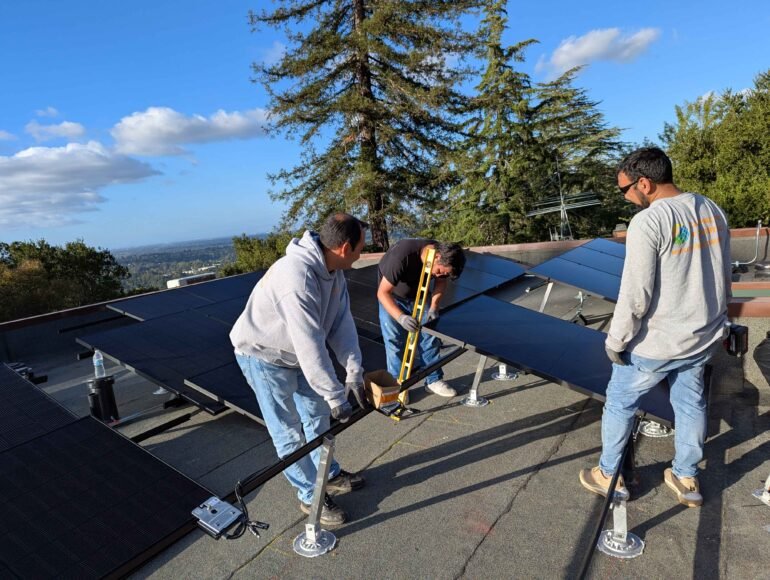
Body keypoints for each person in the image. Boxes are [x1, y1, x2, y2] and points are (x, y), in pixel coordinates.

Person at [579, 147, 731, 507]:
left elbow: (636, 293)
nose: (627, 198)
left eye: (625, 190)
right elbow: (725, 272)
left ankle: (609, 475)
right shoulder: (712, 209)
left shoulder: (649, 221)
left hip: (658, 342)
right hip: (702, 335)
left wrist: (616, 340)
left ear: (643, 183)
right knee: (690, 403)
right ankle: (686, 476)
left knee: (619, 403)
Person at [230, 213, 371, 527]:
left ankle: (328, 475)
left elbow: (341, 324)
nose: (363, 254)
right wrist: (336, 396)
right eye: (362, 248)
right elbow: (309, 343)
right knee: (288, 432)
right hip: (264, 357)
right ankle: (311, 496)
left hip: (297, 356)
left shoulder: (334, 271)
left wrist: (353, 373)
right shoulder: (297, 277)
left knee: (317, 417)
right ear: (346, 247)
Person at [377, 239, 466, 397]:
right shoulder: (402, 256)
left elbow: (440, 283)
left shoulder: (441, 258)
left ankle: (433, 379)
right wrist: (401, 317)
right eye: (439, 271)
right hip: (393, 297)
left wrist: (433, 307)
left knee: (430, 337)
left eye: (443, 274)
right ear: (436, 257)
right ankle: (398, 386)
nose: (438, 275)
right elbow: (382, 293)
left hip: (420, 296)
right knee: (394, 341)